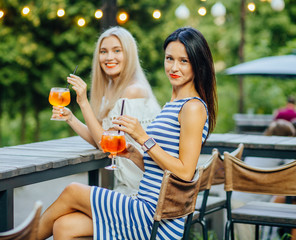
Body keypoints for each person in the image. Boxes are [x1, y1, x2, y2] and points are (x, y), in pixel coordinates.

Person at [37, 26, 217, 239]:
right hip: (146, 207)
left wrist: (143, 137)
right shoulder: (173, 104)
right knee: (64, 227)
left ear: (198, 64)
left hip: (156, 216)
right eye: (169, 58)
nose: (174, 67)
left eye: (184, 61)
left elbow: (185, 173)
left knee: (73, 190)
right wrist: (134, 154)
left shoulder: (193, 107)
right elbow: (161, 171)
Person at [52, 26, 160, 196]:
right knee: (64, 220)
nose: (109, 57)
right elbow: (99, 138)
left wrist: (83, 102)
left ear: (129, 55)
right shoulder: (111, 89)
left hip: (143, 190)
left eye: (117, 50)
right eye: (103, 51)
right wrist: (70, 118)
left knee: (70, 194)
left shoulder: (132, 91)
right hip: (127, 186)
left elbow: (105, 145)